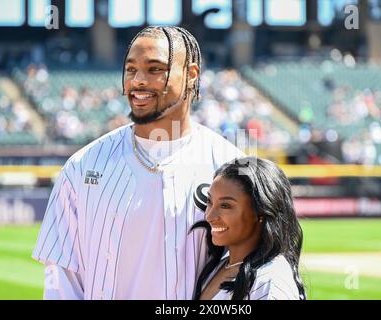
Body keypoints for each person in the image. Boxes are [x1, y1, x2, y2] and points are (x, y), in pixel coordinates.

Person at [32, 26, 244, 300]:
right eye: (131, 70)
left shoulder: (231, 166)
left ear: (191, 75)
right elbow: (62, 282)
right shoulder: (81, 167)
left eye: (155, 69)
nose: (138, 81)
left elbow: (242, 269)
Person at [191, 157, 306, 300]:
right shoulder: (222, 264)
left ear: (261, 212)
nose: (209, 216)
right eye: (209, 201)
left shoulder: (270, 282)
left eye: (225, 206)